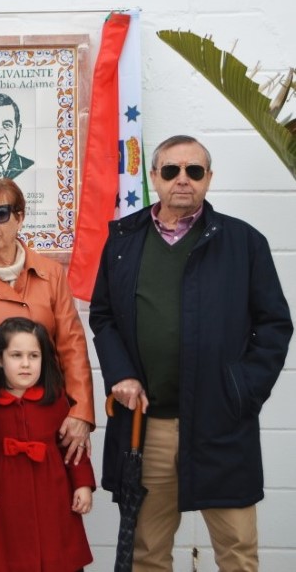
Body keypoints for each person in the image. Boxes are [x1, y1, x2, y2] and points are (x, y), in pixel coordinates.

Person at [90, 135, 293, 572]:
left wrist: (242, 389)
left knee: (238, 551)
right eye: (171, 170)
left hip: (222, 423)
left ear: (209, 178)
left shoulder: (243, 242)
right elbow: (103, 316)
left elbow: (275, 324)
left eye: (194, 171)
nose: (183, 179)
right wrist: (120, 374)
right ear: (155, 178)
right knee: (148, 551)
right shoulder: (124, 242)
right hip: (150, 427)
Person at [0, 178, 94, 466]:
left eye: (0, 214)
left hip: (48, 415)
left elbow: (71, 345)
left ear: (20, 218)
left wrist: (80, 412)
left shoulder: (51, 273)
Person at [0, 317, 94, 571]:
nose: (25, 364)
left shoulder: (57, 402)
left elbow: (73, 448)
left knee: (58, 559)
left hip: (54, 500)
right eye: (16, 355)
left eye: (34, 356)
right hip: (3, 505)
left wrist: (83, 484)